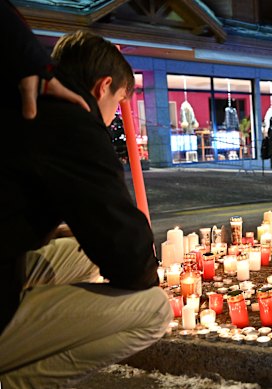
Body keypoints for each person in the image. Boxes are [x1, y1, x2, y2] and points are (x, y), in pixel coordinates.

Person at [0, 26, 173, 389]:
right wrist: (150, 267)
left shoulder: (21, 97)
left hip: (10, 262)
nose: (112, 118)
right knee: (155, 311)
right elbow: (130, 262)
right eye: (118, 102)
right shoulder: (73, 119)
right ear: (102, 87)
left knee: (80, 252)